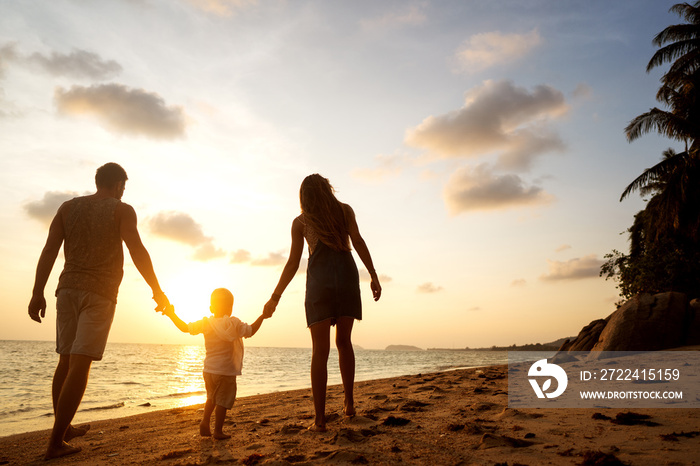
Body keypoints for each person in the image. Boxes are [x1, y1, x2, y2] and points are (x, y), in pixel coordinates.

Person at [27, 162, 170, 460]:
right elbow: (137, 249)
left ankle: (63, 429)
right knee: (80, 363)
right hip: (100, 293)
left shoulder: (68, 207)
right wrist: (157, 290)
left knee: (65, 360)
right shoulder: (122, 209)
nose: (122, 193)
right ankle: (55, 442)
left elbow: (49, 250)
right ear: (119, 185)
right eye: (123, 188)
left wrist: (37, 291)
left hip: (66, 290)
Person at [263, 174, 381, 432]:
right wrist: (372, 275)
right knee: (344, 342)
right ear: (328, 190)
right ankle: (349, 404)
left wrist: (275, 297)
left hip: (320, 283)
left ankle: (320, 419)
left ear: (304, 196)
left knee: (320, 350)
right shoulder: (345, 211)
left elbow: (293, 263)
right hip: (347, 278)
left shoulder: (301, 222)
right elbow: (358, 242)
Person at [161, 288, 268, 439]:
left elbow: (185, 328)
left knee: (211, 397)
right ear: (230, 308)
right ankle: (218, 431)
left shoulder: (206, 323)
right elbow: (251, 331)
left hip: (209, 370)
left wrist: (172, 315)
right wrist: (262, 317)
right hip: (225, 371)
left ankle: (205, 421)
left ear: (211, 308)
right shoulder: (234, 324)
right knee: (222, 401)